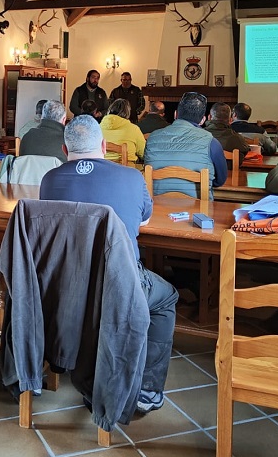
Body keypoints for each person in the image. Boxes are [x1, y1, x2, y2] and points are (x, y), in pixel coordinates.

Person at [39, 115, 178, 413]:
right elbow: (145, 219)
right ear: (104, 146)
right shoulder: (130, 177)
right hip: (118, 284)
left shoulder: (49, 180)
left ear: (64, 151)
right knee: (166, 298)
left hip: (64, 284)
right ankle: (148, 390)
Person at [144, 91, 228, 198]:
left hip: (155, 208)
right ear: (203, 120)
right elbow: (220, 181)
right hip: (198, 211)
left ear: (175, 114)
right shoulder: (212, 142)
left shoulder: (152, 138)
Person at [100, 99, 146, 164]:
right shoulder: (134, 129)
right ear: (127, 113)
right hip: (126, 169)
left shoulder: (97, 128)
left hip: (101, 168)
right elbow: (143, 153)